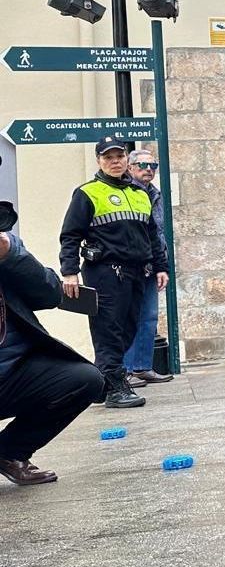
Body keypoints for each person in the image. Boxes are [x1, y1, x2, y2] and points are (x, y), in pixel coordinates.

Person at [58, 137, 169, 409]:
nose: (115, 161)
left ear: (126, 161)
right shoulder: (88, 193)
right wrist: (69, 272)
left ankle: (100, 384)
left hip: (136, 272)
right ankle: (116, 387)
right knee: (108, 330)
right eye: (109, 157)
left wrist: (161, 266)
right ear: (99, 161)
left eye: (119, 156)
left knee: (128, 329)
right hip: (104, 272)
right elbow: (70, 235)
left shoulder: (139, 194)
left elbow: (152, 235)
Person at [0, 207, 105, 485]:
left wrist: (10, 255)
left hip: (11, 371)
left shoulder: (7, 244)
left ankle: (9, 453)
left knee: (84, 379)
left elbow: (49, 294)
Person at [123, 148, 173, 386]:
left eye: (152, 166)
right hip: (129, 264)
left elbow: (158, 233)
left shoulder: (155, 194)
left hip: (152, 264)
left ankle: (142, 366)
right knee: (128, 316)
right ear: (130, 168)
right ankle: (126, 369)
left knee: (149, 317)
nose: (148, 170)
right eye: (142, 165)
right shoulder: (125, 191)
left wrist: (162, 266)